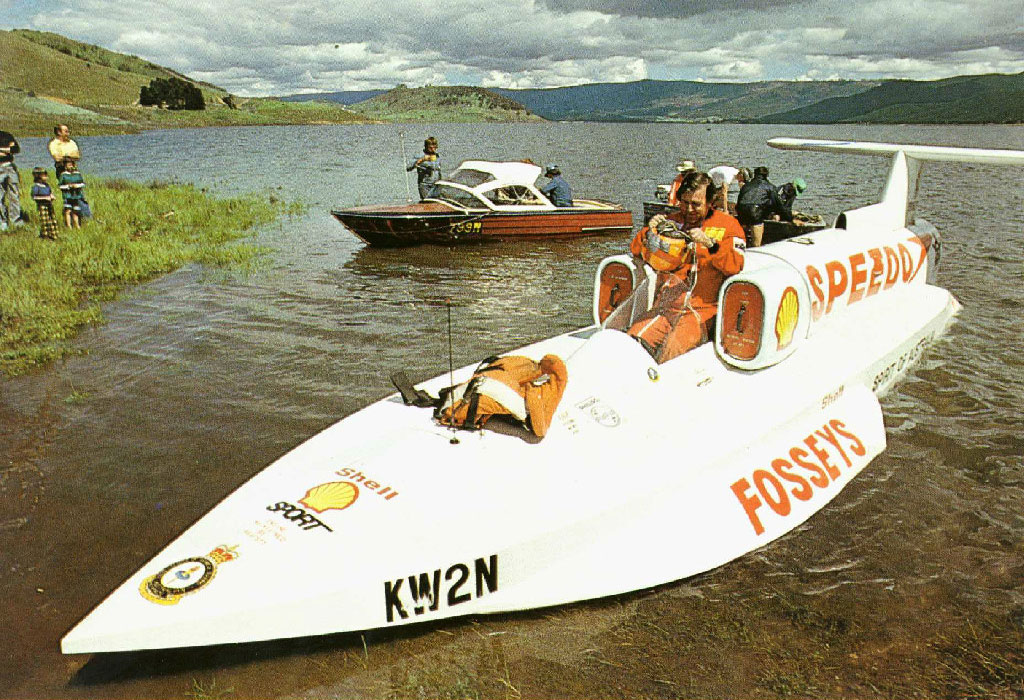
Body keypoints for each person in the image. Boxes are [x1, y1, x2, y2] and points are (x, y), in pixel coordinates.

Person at [627, 170, 746, 363]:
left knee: (672, 351)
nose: (689, 209)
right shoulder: (671, 222)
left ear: (710, 203)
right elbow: (636, 249)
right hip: (667, 307)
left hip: (701, 312)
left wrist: (711, 244)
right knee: (633, 341)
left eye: (696, 204)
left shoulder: (729, 226)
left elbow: (736, 265)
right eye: (684, 202)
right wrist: (650, 232)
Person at [735, 166, 791, 247]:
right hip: (755, 213)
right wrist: (789, 218)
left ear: (755, 175)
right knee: (756, 244)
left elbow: (739, 202)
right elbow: (778, 205)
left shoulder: (746, 186)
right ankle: (755, 246)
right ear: (766, 176)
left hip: (741, 212)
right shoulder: (770, 187)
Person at [0, 129, 23, 231]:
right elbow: (11, 149)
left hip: (9, 166)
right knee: (0, 196)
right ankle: (3, 222)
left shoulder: (7, 135)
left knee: (14, 194)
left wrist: (2, 150)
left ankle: (16, 220)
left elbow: (16, 149)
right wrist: (7, 149)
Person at [407, 136, 441, 200]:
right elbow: (408, 167)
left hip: (436, 185)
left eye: (434, 147)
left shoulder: (437, 156)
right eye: (430, 147)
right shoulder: (420, 155)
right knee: (428, 203)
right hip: (425, 185)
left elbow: (439, 170)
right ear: (426, 146)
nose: (433, 149)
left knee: (436, 204)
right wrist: (421, 160)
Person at [30, 167, 59, 240]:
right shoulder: (36, 187)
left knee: (52, 219)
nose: (46, 177)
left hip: (49, 204)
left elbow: (50, 192)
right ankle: (45, 235)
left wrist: (51, 196)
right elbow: (34, 197)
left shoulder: (46, 185)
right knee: (44, 221)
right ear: (38, 177)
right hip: (42, 206)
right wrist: (45, 198)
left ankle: (53, 234)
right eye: (44, 175)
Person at [58, 157, 86, 229]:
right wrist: (68, 186)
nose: (70, 166)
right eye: (68, 165)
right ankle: (69, 226)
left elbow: (82, 183)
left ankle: (77, 225)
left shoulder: (77, 174)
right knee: (68, 210)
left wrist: (76, 186)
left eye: (71, 164)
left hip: (76, 195)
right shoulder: (63, 175)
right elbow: (60, 186)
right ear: (65, 166)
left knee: (76, 211)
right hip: (68, 196)